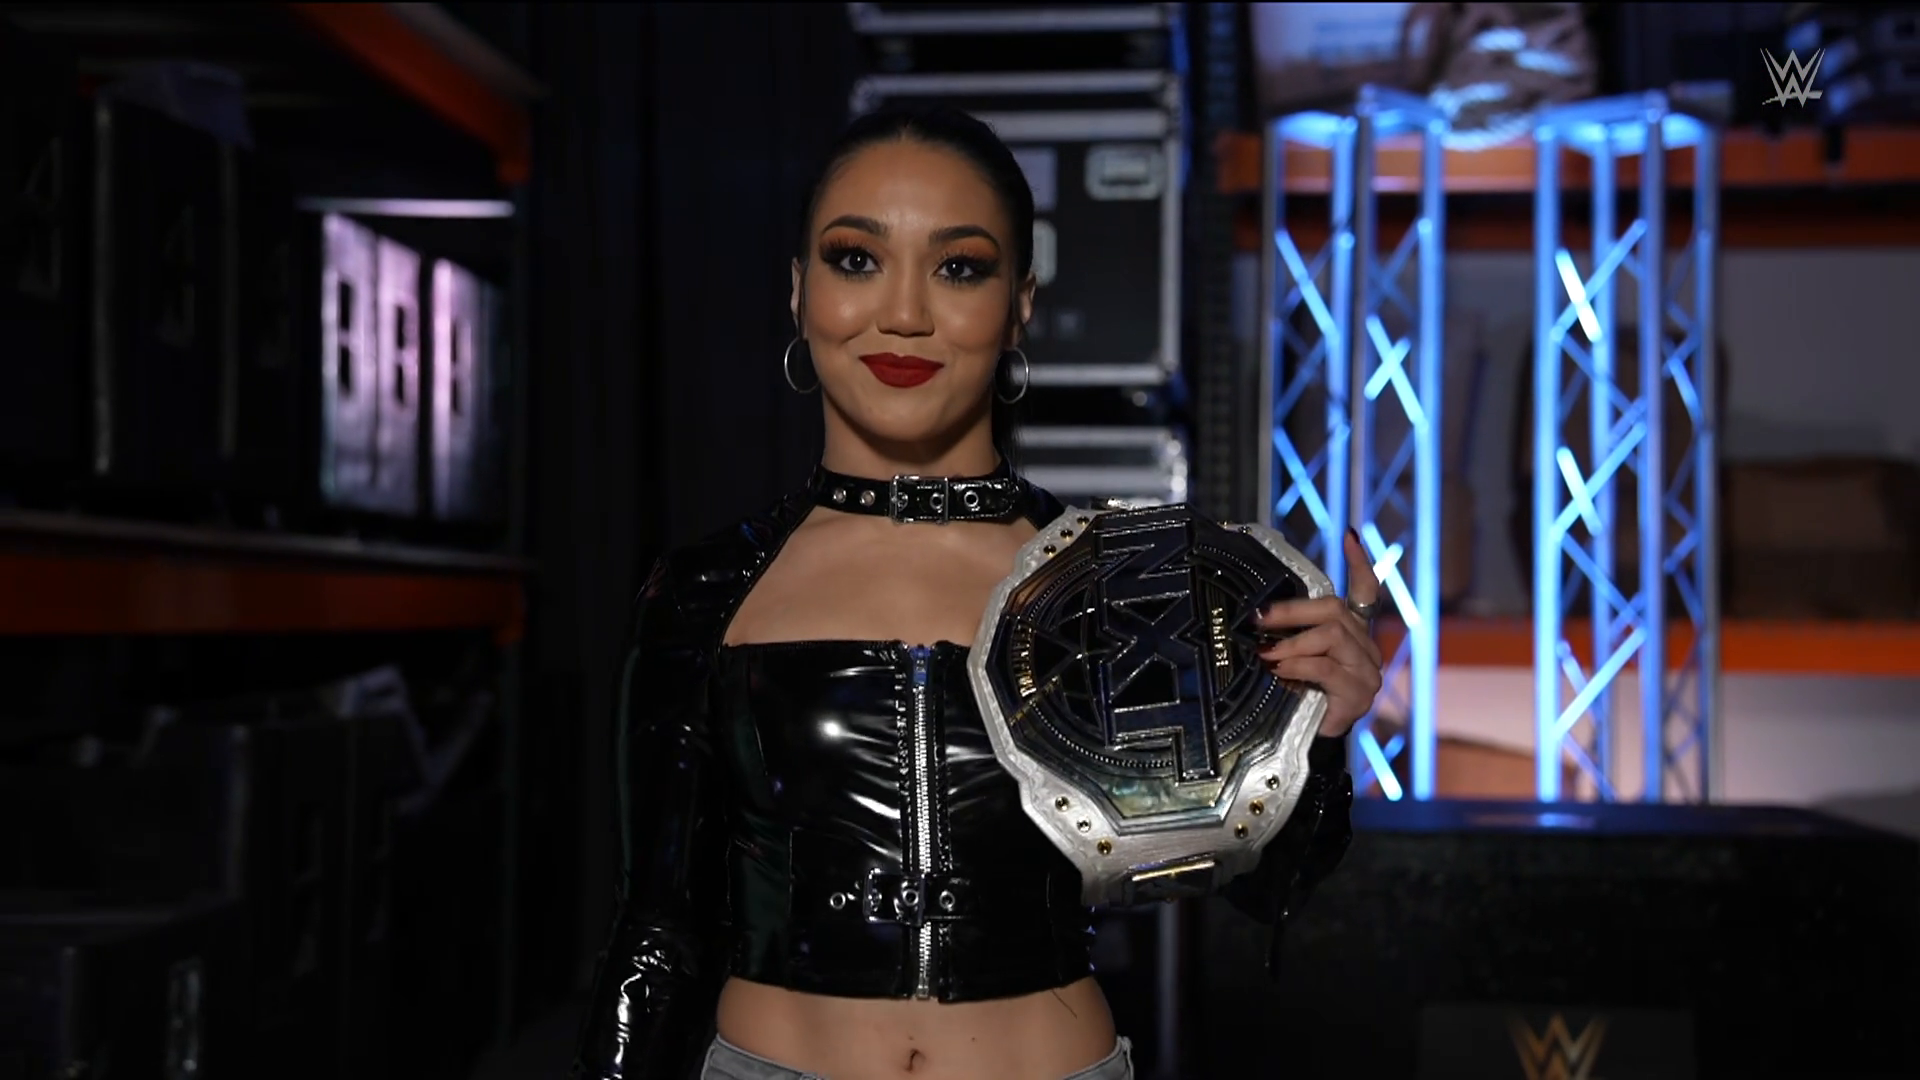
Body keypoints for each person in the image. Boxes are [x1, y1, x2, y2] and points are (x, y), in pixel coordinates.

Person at [572, 105, 1384, 1080]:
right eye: (856, 259)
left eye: (959, 267)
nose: (903, 312)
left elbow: (1265, 887)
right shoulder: (707, 587)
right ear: (797, 290)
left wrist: (1319, 736)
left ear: (1020, 303)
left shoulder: (1122, 583)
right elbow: (656, 931)